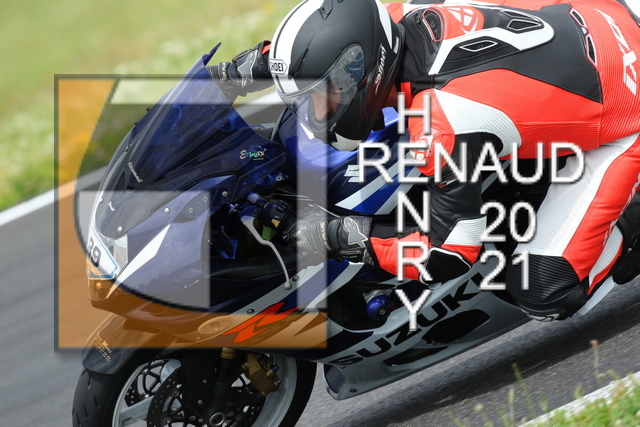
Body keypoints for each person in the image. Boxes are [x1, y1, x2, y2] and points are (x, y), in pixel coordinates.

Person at [209, 0, 640, 321]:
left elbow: (449, 254)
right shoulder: (400, 17)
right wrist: (237, 72)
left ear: (359, 74)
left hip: (627, 119)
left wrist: (339, 234)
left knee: (543, 289)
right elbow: (330, 36)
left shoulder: (444, 121)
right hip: (600, 15)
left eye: (324, 97)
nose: (317, 112)